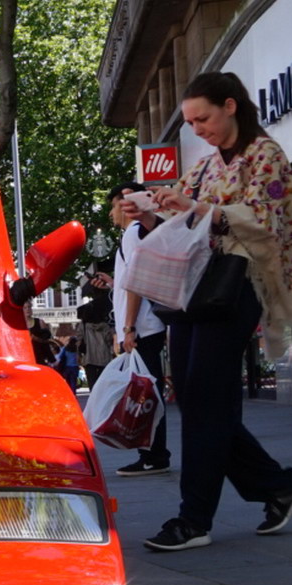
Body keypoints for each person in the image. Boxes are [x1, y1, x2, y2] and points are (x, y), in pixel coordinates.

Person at [141, 73, 292, 553]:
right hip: (196, 288)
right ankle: (277, 485)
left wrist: (196, 207)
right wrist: (154, 210)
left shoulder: (266, 154)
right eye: (191, 120)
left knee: (206, 402)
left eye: (203, 117)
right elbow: (187, 214)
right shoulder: (206, 164)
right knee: (199, 399)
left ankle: (194, 518)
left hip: (236, 286)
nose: (196, 128)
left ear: (231, 106)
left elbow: (263, 221)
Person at [109, 182, 171, 476]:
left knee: (146, 393)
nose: (111, 213)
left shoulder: (134, 233)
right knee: (147, 390)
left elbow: (136, 280)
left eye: (113, 205)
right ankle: (153, 453)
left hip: (143, 327)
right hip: (143, 326)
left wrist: (129, 327)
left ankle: (154, 454)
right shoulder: (132, 234)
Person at [76, 266, 115, 388]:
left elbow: (79, 340)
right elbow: (110, 340)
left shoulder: (84, 324)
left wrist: (79, 355)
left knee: (94, 388)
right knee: (105, 387)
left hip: (90, 359)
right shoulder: (106, 324)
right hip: (105, 358)